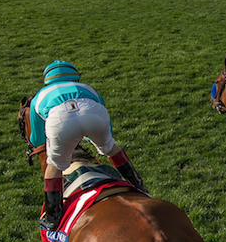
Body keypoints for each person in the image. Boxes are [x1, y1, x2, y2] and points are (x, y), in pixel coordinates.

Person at [29, 61, 144, 231]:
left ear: (48, 79)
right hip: (93, 114)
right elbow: (106, 121)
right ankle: (138, 184)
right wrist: (96, 139)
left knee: (55, 165)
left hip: (60, 120)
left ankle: (53, 216)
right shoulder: (88, 88)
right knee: (110, 148)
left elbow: (36, 139)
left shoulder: (40, 95)